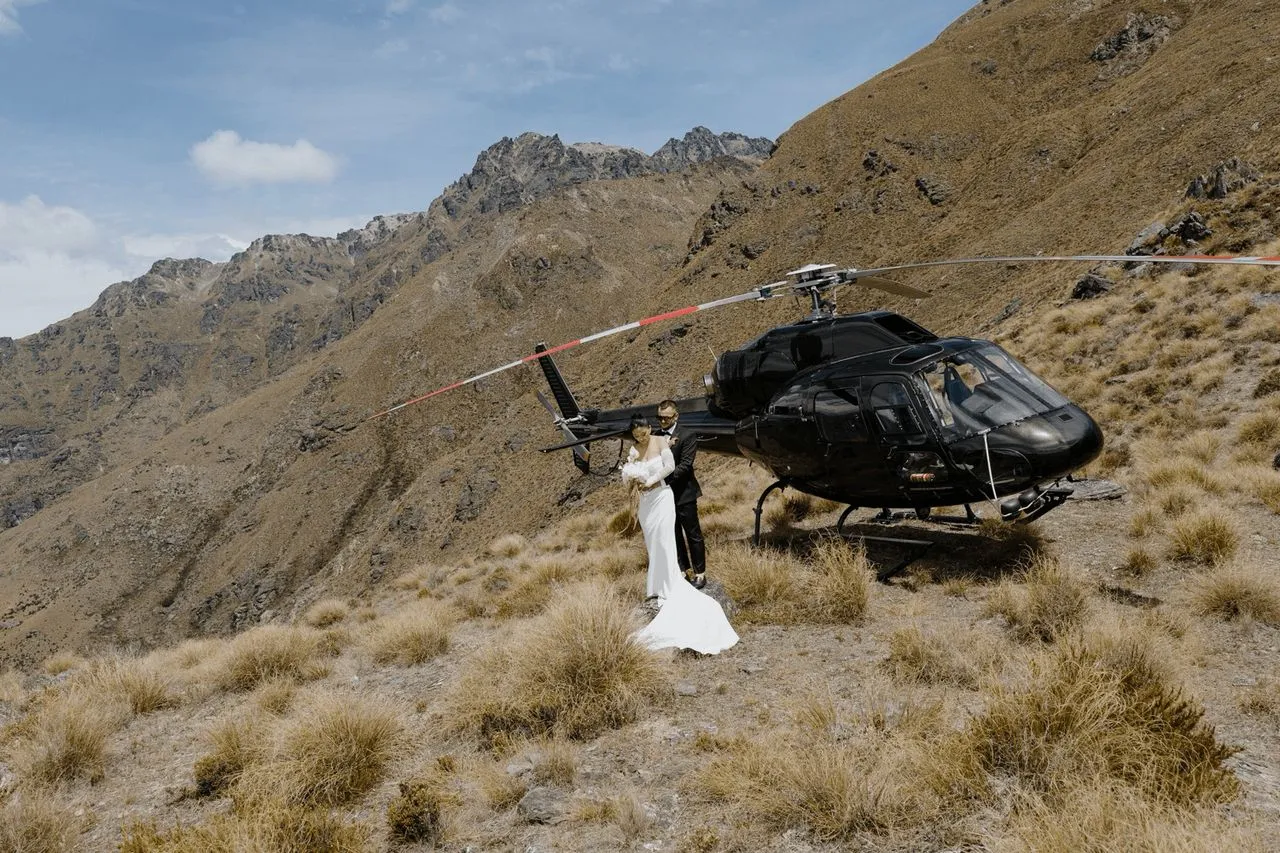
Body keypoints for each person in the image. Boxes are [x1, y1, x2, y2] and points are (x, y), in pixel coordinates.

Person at [620, 415, 738, 655]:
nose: (640, 438)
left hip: (662, 497)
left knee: (665, 540)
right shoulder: (633, 449)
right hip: (645, 503)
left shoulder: (661, 442)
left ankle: (670, 582)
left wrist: (650, 479)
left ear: (649, 429)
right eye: (636, 435)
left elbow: (670, 467)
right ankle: (656, 585)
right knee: (652, 542)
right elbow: (627, 474)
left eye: (643, 433)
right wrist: (631, 479)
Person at [655, 400, 707, 589]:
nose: (662, 422)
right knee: (673, 534)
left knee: (693, 534)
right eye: (659, 418)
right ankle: (684, 571)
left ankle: (701, 573)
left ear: (676, 416)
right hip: (664, 497)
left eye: (666, 418)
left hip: (685, 493)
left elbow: (685, 465)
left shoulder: (687, 435)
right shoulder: (656, 437)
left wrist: (661, 480)